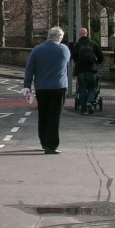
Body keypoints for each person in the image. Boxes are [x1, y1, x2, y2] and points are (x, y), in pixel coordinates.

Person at [22, 26, 71, 154]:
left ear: (48, 36)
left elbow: (29, 69)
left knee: (43, 115)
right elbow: (67, 62)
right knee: (54, 116)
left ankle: (44, 142)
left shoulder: (37, 50)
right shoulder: (64, 49)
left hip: (42, 88)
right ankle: (51, 145)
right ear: (59, 38)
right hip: (58, 87)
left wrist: (26, 86)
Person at [71, 28, 104, 115]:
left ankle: (83, 110)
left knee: (82, 89)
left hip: (81, 71)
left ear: (79, 34)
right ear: (87, 34)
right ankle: (90, 102)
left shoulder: (77, 45)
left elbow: (73, 57)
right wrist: (97, 63)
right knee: (92, 88)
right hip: (92, 70)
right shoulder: (93, 43)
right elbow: (100, 56)